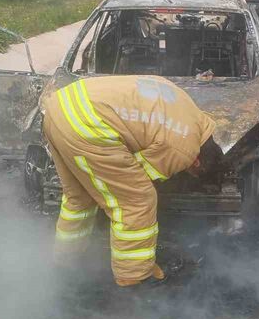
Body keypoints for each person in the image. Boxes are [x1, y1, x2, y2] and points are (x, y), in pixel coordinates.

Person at [42, 75, 220, 287]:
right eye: (190, 170)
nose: (186, 168)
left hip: (60, 107)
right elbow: (139, 176)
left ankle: (65, 263)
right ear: (197, 162)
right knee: (137, 200)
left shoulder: (189, 110)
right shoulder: (185, 148)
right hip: (89, 124)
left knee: (79, 197)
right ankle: (135, 278)